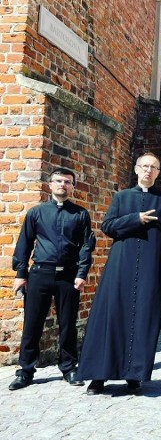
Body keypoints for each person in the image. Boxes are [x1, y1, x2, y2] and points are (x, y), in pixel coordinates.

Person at [78, 152, 161, 395]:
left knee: (144, 319)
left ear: (158, 172)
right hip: (120, 267)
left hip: (151, 268)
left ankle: (134, 376)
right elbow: (108, 226)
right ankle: (98, 377)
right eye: (144, 166)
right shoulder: (122, 197)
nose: (148, 171)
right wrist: (136, 219)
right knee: (109, 318)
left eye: (154, 167)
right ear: (136, 169)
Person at [9, 168, 96, 391]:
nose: (62, 185)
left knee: (68, 324)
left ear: (73, 187)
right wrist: (20, 274)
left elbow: (86, 246)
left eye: (67, 182)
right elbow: (24, 243)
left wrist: (81, 273)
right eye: (58, 181)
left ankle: (68, 367)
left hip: (68, 275)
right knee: (32, 324)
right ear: (50, 184)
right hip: (40, 273)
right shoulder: (36, 213)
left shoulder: (80, 214)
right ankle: (26, 370)